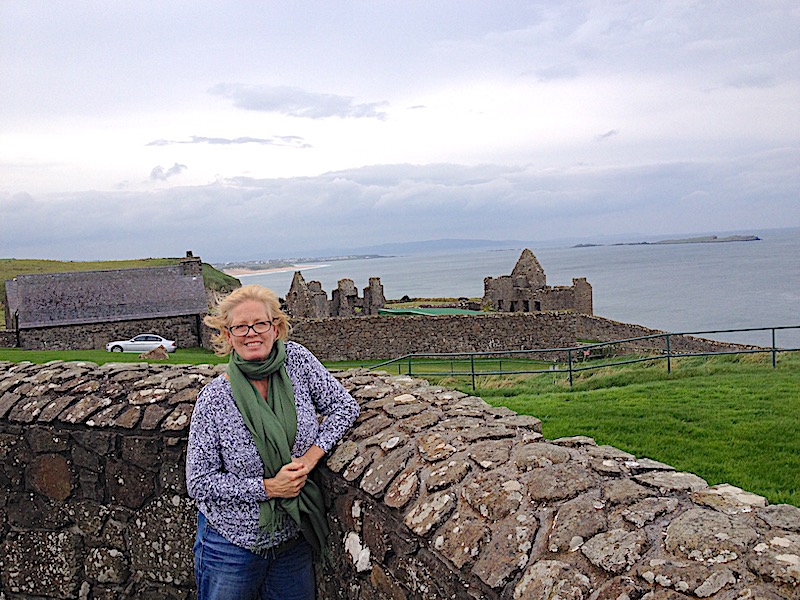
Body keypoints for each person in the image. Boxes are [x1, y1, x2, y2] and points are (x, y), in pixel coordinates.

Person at [186, 284, 359, 600]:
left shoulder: (297, 362)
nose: (251, 333)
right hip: (230, 544)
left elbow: (344, 407)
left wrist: (311, 457)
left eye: (260, 324)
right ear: (227, 336)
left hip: (291, 536)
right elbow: (199, 483)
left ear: (276, 328)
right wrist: (269, 488)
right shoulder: (214, 400)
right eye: (240, 326)